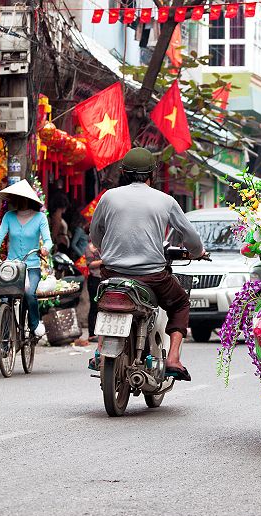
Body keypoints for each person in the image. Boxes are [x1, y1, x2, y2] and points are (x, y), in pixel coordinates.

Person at [89, 147, 205, 381]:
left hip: (112, 273)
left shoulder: (108, 197)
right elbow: (191, 238)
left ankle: (101, 350)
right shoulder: (165, 200)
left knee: (105, 302)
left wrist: (107, 249)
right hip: (152, 277)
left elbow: (95, 234)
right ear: (152, 174)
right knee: (180, 302)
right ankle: (173, 358)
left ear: (123, 172)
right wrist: (197, 252)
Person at [0, 180, 52, 338]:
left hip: (32, 266)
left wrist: (45, 249)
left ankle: (34, 324)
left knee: (29, 294)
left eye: (21, 197)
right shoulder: (9, 216)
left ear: (29, 199)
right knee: (5, 297)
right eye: (16, 197)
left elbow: (48, 240)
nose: (18, 200)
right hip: (12, 267)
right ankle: (5, 338)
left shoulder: (40, 218)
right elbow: (0, 236)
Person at [85, 241, 102, 342]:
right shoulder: (90, 247)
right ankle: (91, 334)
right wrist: (103, 261)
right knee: (94, 306)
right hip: (94, 279)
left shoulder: (105, 244)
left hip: (103, 278)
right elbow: (90, 264)